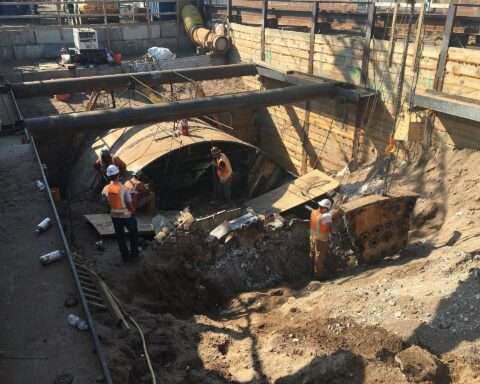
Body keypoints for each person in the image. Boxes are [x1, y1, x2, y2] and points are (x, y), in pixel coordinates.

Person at [102, 164, 139, 262]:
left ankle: (125, 257)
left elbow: (106, 200)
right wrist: (133, 211)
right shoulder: (124, 188)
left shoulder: (106, 188)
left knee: (120, 237)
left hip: (114, 216)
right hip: (125, 215)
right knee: (133, 233)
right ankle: (134, 255)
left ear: (108, 176)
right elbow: (129, 203)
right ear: (118, 175)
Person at [310, 198, 333, 280]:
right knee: (320, 258)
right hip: (321, 239)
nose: (320, 207)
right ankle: (319, 277)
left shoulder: (314, 212)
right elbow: (330, 228)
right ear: (327, 208)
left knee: (313, 255)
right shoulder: (327, 216)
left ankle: (312, 273)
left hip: (313, 236)